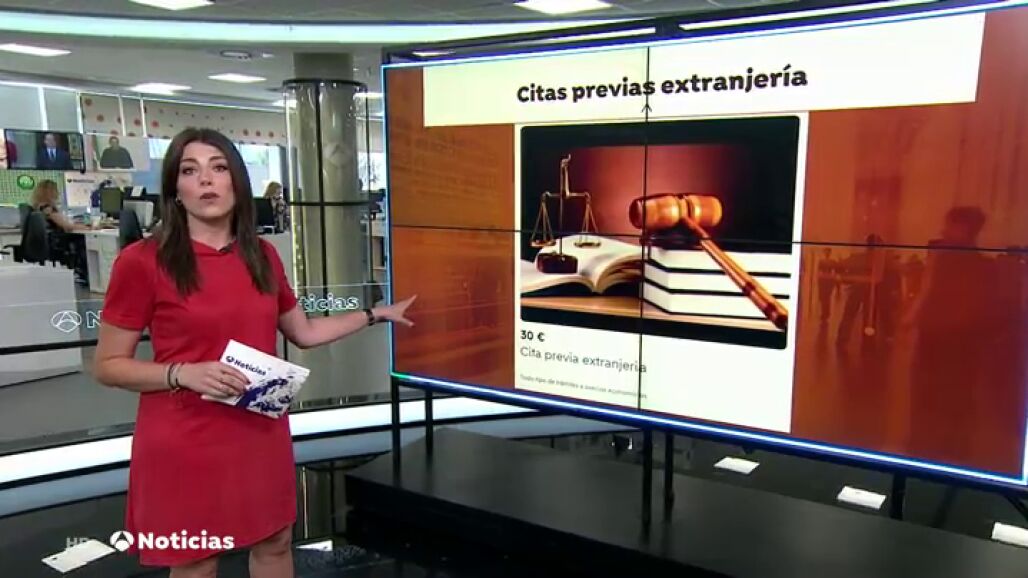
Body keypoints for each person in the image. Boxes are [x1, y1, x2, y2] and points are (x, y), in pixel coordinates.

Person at [93, 127, 416, 578]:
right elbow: (108, 366)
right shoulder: (142, 261)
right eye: (190, 170)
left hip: (258, 429)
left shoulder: (261, 255)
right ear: (175, 189)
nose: (206, 180)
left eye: (218, 168)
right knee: (196, 561)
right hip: (186, 435)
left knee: (275, 542)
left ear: (237, 182)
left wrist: (375, 314)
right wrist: (181, 373)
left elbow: (304, 331)